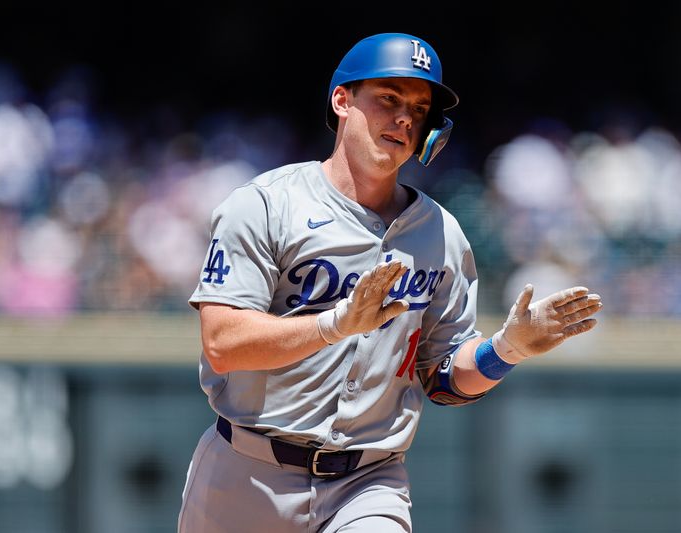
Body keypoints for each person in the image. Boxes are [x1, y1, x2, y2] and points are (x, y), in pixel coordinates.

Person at [177, 32, 602, 533]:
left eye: (419, 109)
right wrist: (334, 324)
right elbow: (223, 343)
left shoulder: (441, 234)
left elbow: (442, 378)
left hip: (368, 482)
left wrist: (506, 350)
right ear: (342, 101)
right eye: (388, 99)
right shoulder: (265, 206)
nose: (404, 118)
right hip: (246, 472)